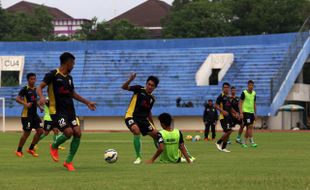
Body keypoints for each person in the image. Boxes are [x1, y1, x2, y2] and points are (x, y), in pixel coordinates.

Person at [37, 52, 96, 171]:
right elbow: (39, 87)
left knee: (78, 133)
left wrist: (87, 102)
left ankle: (68, 162)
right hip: (57, 111)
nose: (73, 66)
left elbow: (72, 94)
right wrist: (42, 97)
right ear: (67, 63)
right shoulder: (53, 74)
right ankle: (54, 145)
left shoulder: (69, 78)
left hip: (70, 111)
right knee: (68, 132)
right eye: (73, 63)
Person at [122, 73, 160, 164]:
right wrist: (130, 79)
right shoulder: (138, 89)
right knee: (136, 130)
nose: (150, 86)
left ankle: (163, 155)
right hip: (131, 116)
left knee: (157, 135)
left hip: (143, 120)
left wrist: (153, 125)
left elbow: (149, 112)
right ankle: (138, 157)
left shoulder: (152, 99)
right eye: (149, 84)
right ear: (146, 84)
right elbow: (123, 87)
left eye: (152, 86)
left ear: (155, 87)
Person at [15, 73, 44, 157]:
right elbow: (17, 98)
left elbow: (35, 101)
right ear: (28, 80)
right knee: (27, 133)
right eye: (31, 79)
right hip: (26, 115)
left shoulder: (35, 89)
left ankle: (31, 149)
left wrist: (40, 107)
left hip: (34, 115)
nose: (33, 80)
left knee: (40, 131)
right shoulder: (25, 89)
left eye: (34, 79)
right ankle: (19, 150)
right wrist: (25, 104)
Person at [214, 82, 237, 153]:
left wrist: (236, 113)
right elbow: (216, 105)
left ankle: (223, 147)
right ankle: (218, 142)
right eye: (225, 87)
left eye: (227, 87)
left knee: (229, 132)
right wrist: (222, 111)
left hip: (228, 117)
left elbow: (230, 107)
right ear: (223, 88)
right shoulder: (220, 96)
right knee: (228, 131)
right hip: (223, 117)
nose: (226, 89)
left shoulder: (228, 97)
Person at [239, 80, 258, 148]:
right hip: (246, 112)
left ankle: (244, 142)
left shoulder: (254, 93)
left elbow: (254, 103)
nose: (251, 86)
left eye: (252, 85)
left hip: (251, 112)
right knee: (249, 126)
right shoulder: (244, 93)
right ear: (247, 85)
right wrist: (241, 113)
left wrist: (255, 113)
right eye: (250, 85)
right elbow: (240, 103)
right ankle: (252, 141)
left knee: (249, 127)